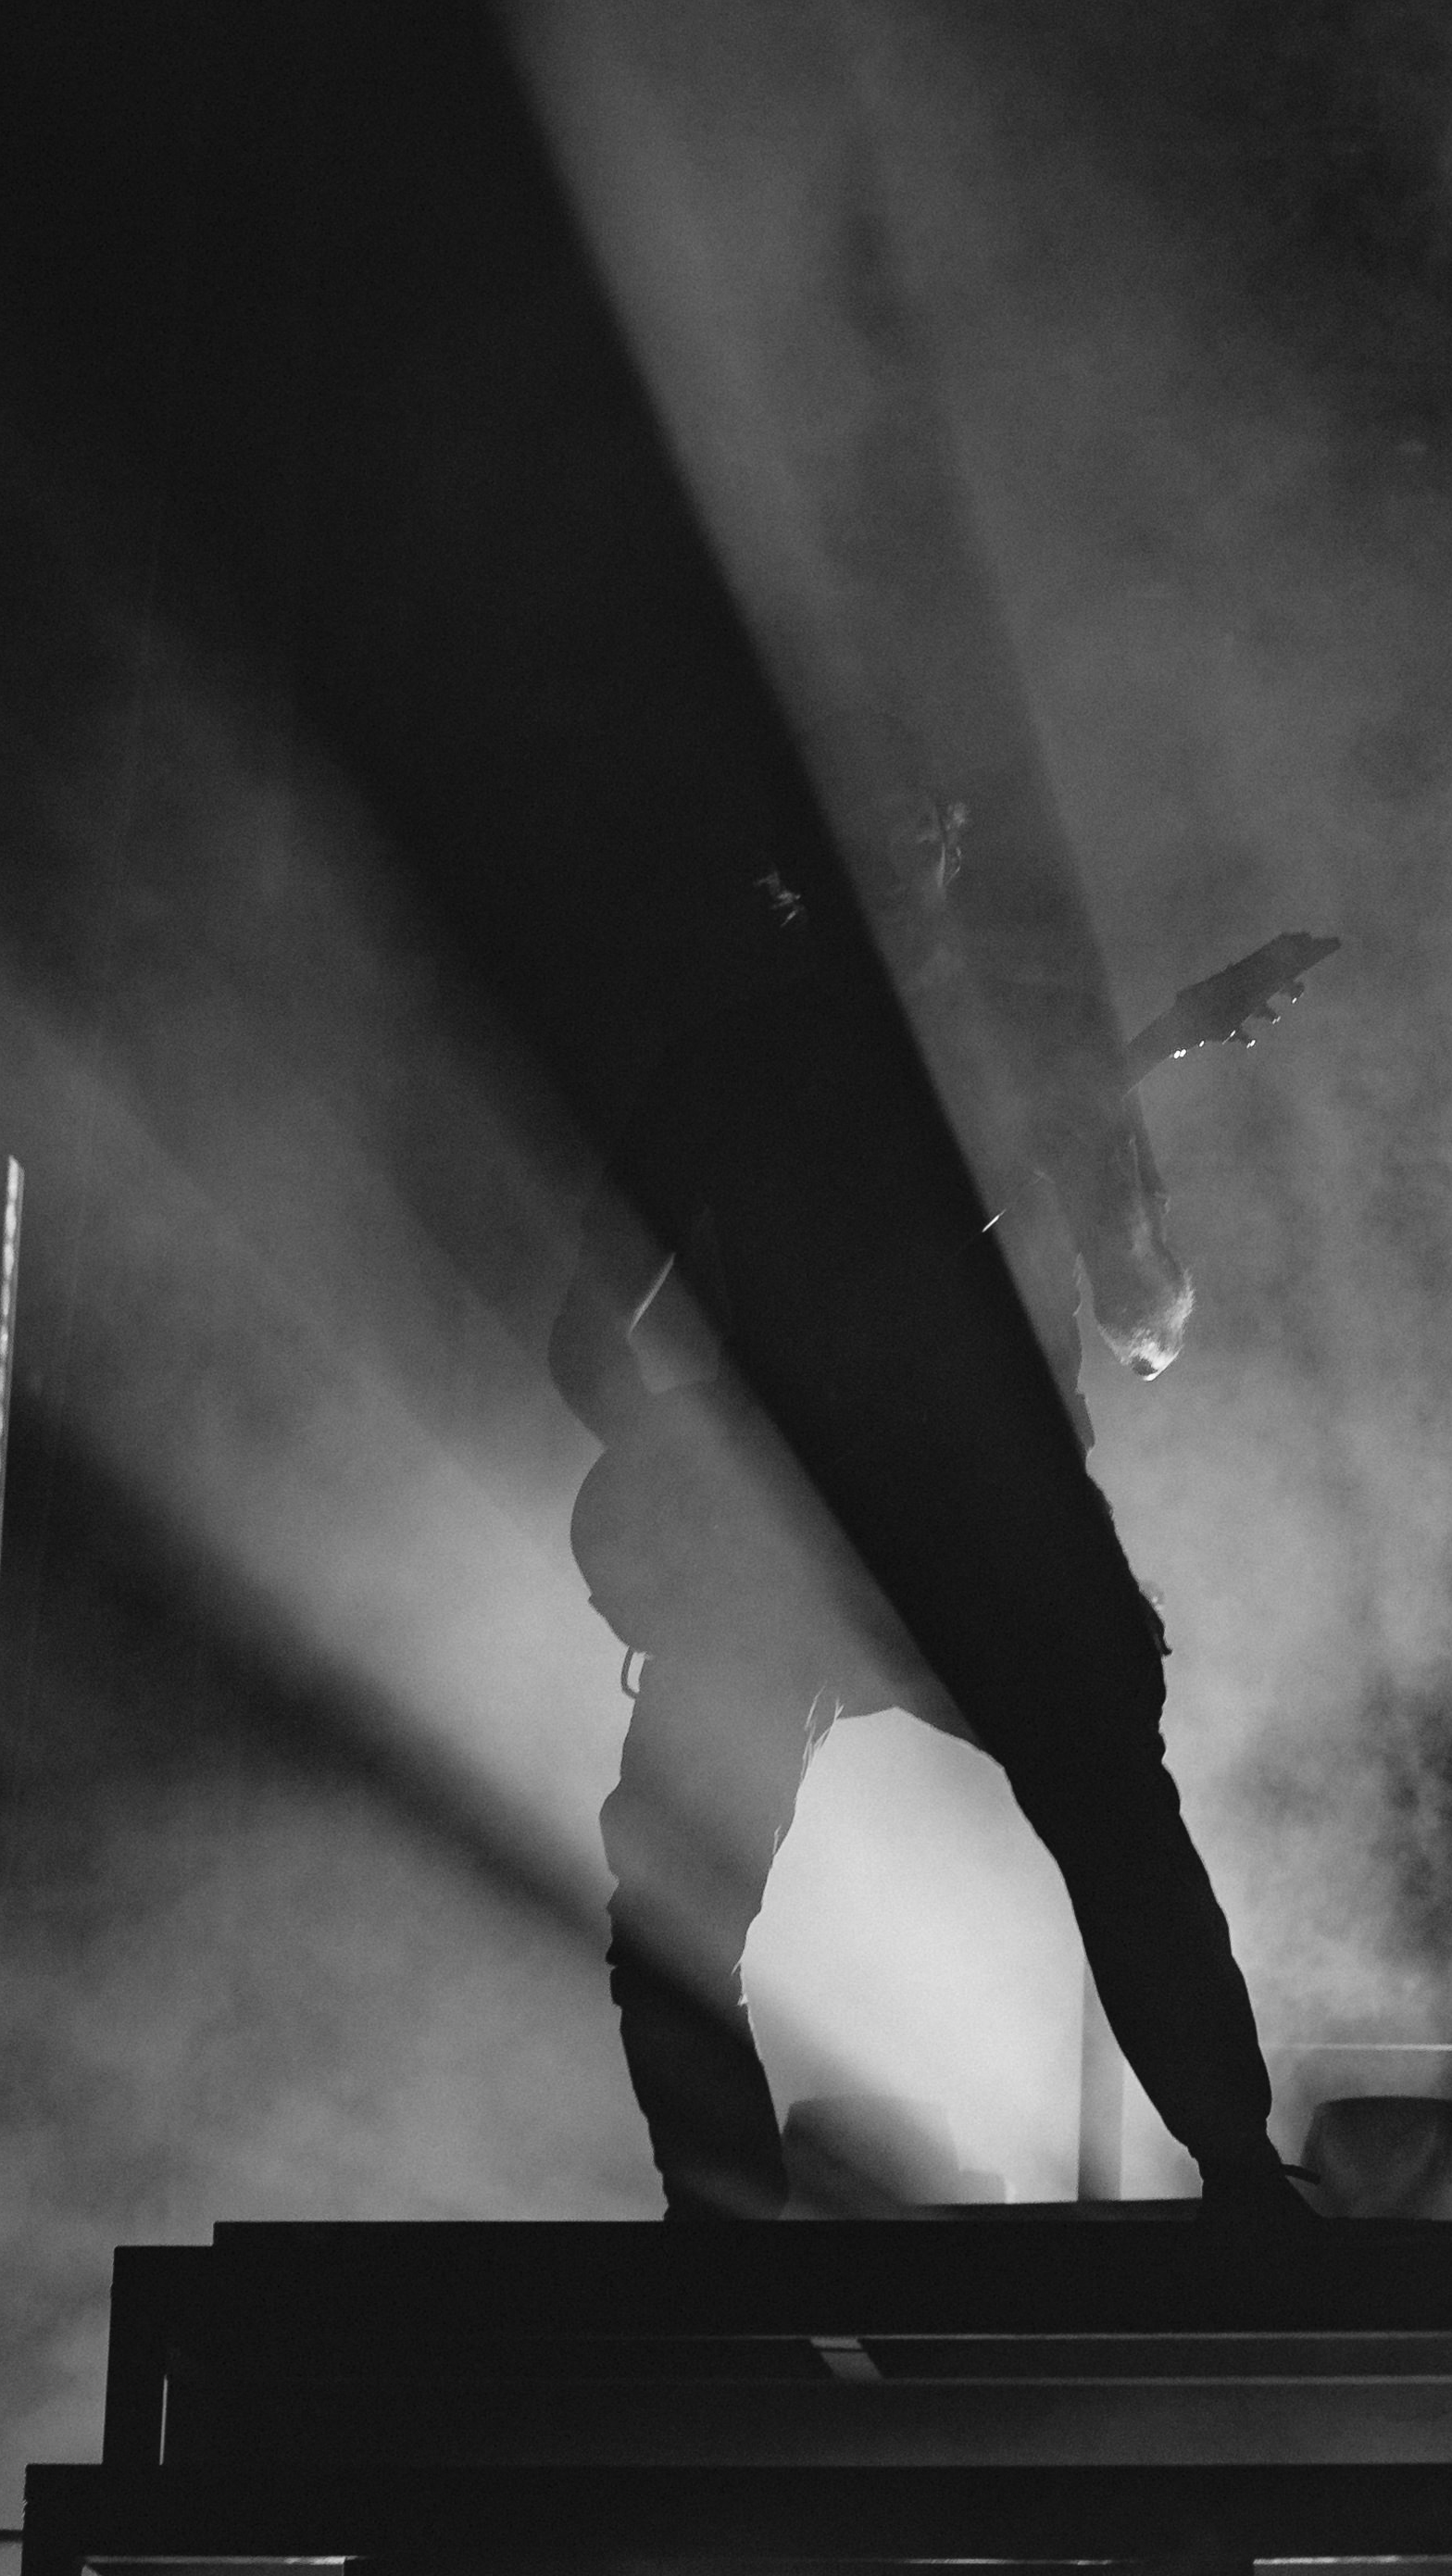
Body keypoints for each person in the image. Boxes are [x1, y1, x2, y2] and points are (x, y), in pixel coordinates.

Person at [553, 793, 1313, 2220]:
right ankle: (1243, 2178)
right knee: (1117, 1827)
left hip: (777, 1549)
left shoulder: (720, 1065)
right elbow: (1146, 1323)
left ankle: (719, 2232)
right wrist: (1129, 1257)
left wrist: (701, 1460)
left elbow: (583, 1345)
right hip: (981, 1535)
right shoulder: (1023, 1067)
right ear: (942, 868)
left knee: (675, 1911)